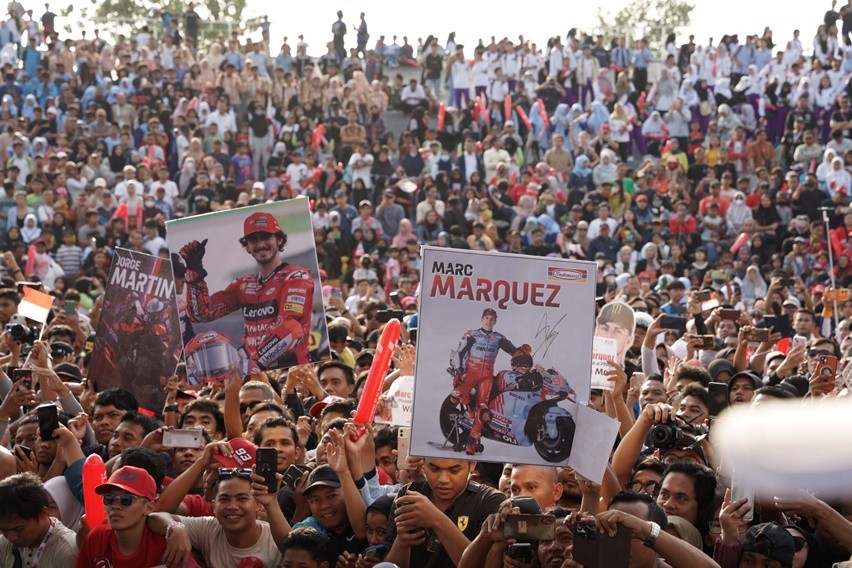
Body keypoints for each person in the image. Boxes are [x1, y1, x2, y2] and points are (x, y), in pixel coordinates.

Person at [178, 211, 314, 372]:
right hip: (252, 373)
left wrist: (251, 364)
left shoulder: (297, 277)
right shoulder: (243, 284)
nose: (261, 244)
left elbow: (292, 330)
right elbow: (200, 314)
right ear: (247, 247)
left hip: (290, 371)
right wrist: (194, 273)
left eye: (266, 237)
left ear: (279, 240)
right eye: (253, 240)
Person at [448, 307, 520, 455]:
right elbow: (459, 351)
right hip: (469, 374)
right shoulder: (471, 334)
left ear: (495, 321)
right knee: (455, 396)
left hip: (486, 377)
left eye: (492, 319)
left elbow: (515, 351)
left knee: (483, 412)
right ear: (482, 319)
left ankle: (471, 444)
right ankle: (467, 410)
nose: (489, 321)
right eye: (486, 318)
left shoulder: (498, 338)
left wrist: (523, 353)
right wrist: (459, 369)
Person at [76, 466, 167, 567]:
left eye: (126, 499)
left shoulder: (165, 546)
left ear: (148, 507)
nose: (115, 506)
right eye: (109, 499)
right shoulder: (96, 539)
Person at [0, 473, 78, 568]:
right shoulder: (3, 543)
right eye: (4, 530)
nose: (12, 537)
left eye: (19, 529)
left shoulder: (68, 551)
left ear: (42, 513)